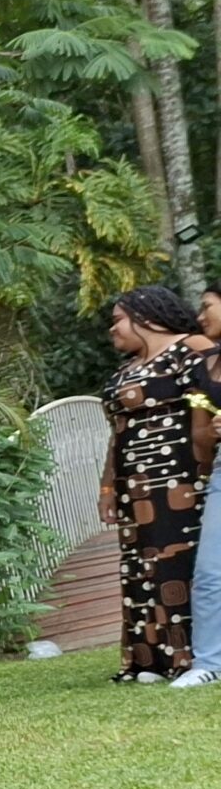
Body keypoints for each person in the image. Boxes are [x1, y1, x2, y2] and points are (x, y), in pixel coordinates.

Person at [99, 287, 209, 681]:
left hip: (179, 481)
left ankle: (189, 657)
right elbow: (117, 434)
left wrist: (203, 467)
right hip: (133, 487)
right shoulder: (126, 369)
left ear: (146, 316)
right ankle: (152, 660)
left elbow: (207, 408)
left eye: (118, 319)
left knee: (175, 565)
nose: (112, 328)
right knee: (140, 567)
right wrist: (107, 488)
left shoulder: (191, 348)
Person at [171, 286, 221, 688]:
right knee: (209, 572)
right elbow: (201, 438)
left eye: (207, 307)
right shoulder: (207, 366)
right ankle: (208, 662)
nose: (200, 316)